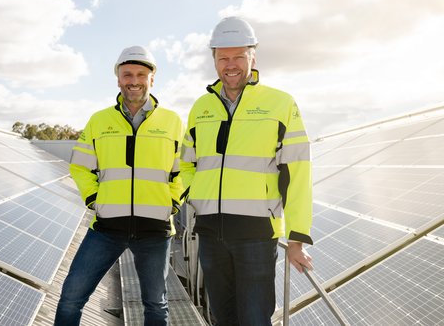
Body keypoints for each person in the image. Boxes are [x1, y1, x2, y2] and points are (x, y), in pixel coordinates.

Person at [179, 16, 314, 326]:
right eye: (223, 57)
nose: (231, 64)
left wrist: (296, 239)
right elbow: (187, 161)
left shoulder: (280, 104)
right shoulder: (201, 107)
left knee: (254, 320)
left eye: (239, 55)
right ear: (214, 59)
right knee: (223, 319)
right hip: (211, 234)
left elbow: (297, 173)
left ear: (253, 56)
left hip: (256, 235)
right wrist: (195, 195)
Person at [54, 45, 184, 326]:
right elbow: (80, 166)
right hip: (107, 227)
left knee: (155, 305)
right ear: (118, 79)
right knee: (70, 298)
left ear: (152, 79)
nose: (134, 81)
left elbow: (185, 169)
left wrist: (172, 202)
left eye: (140, 74)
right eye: (127, 74)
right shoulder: (99, 121)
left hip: (155, 229)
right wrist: (94, 199)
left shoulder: (172, 122)